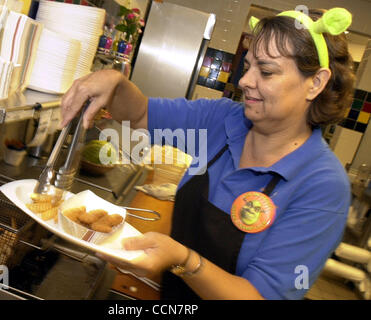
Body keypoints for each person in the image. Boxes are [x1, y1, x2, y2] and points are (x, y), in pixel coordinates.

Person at [60, 8, 355, 300]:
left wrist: (184, 260)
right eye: (248, 66)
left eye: (265, 71)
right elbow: (140, 114)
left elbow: (260, 296)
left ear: (315, 83)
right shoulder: (223, 120)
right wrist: (116, 83)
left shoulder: (323, 186)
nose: (244, 81)